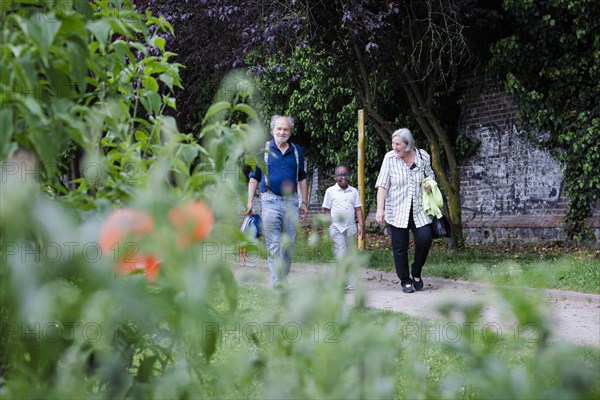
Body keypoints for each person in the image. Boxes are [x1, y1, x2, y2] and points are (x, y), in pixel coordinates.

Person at [246, 115, 309, 288]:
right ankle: (278, 284)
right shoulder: (262, 151)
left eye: (285, 129)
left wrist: (304, 202)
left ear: (290, 131)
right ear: (272, 130)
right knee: (273, 243)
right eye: (279, 129)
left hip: (291, 203)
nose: (282, 132)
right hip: (270, 201)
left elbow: (302, 177)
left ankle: (282, 276)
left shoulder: (297, 151)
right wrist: (249, 201)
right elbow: (253, 177)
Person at [375, 128, 434, 293]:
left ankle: (416, 271)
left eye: (398, 144)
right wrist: (380, 209)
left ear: (408, 144)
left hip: (419, 209)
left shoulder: (423, 156)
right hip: (397, 210)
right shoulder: (390, 158)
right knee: (399, 247)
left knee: (425, 239)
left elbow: (430, 176)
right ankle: (405, 280)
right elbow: (382, 185)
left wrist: (429, 184)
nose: (394, 147)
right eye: (393, 143)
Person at [322, 164, 365, 290]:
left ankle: (351, 284)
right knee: (340, 256)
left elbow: (358, 209)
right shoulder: (330, 191)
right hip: (336, 227)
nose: (343, 178)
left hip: (351, 228)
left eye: (346, 175)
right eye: (340, 175)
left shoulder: (354, 191)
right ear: (335, 177)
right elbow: (326, 210)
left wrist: (361, 226)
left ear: (349, 177)